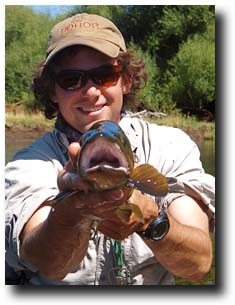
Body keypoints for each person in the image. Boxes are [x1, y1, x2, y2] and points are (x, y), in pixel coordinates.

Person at [5, 12, 215, 285]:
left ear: (126, 80)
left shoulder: (171, 147)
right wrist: (72, 214)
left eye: (104, 75)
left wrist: (150, 221)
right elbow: (48, 263)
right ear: (52, 90)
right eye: (71, 79)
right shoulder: (30, 163)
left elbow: (198, 264)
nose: (91, 92)